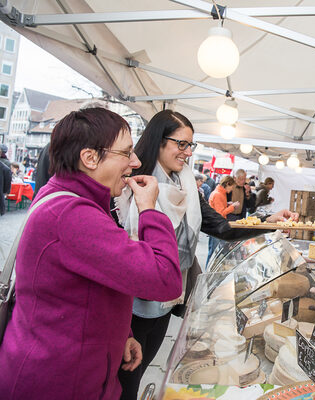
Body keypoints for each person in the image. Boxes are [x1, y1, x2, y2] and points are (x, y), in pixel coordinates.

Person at [0, 108, 183, 400]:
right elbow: (165, 279)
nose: (135, 162)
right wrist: (149, 208)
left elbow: (84, 288)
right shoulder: (72, 214)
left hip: (74, 370)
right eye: (126, 153)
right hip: (57, 382)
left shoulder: (71, 199)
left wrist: (121, 333)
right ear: (90, 158)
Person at [115, 110, 298, 400]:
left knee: (141, 368)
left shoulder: (185, 185)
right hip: (132, 304)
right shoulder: (131, 183)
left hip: (168, 297)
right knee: (123, 380)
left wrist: (267, 222)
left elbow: (221, 227)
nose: (187, 153)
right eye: (181, 144)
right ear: (159, 141)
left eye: (191, 145)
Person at [207, 175, 239, 262]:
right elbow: (220, 213)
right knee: (214, 253)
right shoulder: (218, 194)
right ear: (228, 184)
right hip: (216, 226)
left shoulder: (220, 193)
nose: (231, 190)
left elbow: (219, 208)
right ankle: (208, 273)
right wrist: (232, 207)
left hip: (216, 225)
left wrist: (228, 204)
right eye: (231, 187)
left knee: (214, 252)